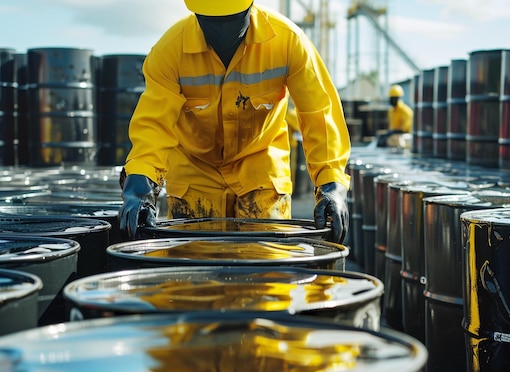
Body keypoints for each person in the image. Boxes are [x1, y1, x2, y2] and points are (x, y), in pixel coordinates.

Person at [118, 0, 351, 243]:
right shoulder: (170, 51)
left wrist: (331, 185)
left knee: (266, 268)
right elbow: (153, 127)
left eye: (230, 20)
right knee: (193, 271)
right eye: (212, 21)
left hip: (261, 167)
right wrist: (140, 188)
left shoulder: (288, 41)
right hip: (195, 169)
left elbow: (319, 115)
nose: (222, 30)